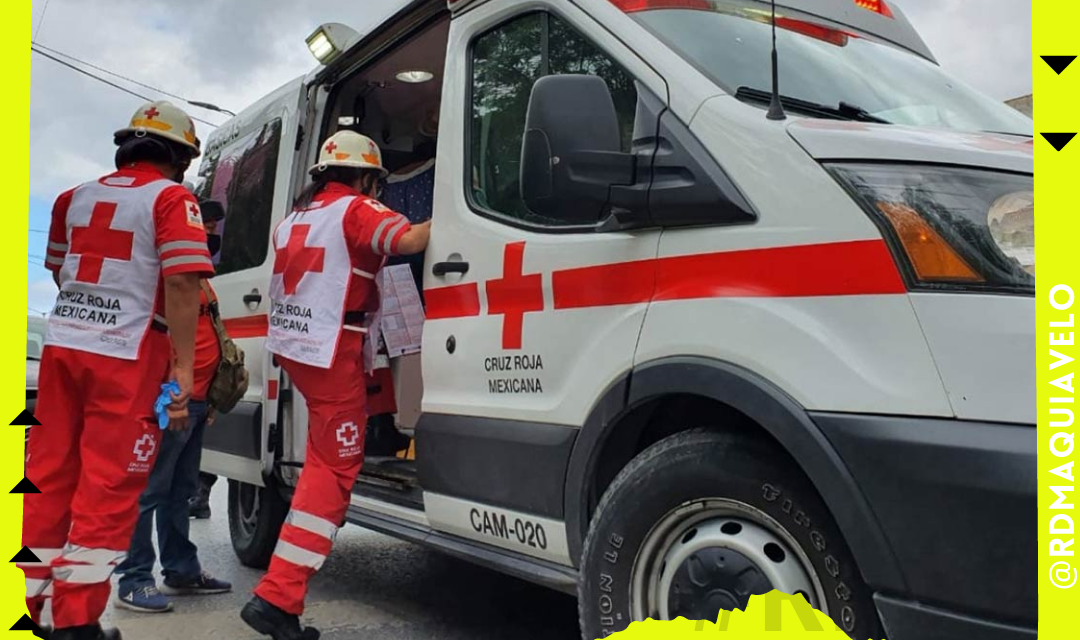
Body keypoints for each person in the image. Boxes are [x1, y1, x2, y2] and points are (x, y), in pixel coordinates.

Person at [22, 101, 212, 640]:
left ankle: (33, 607)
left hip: (64, 350)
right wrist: (180, 368)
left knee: (49, 476)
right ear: (180, 157)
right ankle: (77, 622)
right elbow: (181, 283)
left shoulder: (72, 198)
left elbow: (61, 271)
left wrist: (90, 320)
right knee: (110, 486)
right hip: (129, 356)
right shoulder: (173, 199)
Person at [240, 131, 430, 640]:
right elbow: (407, 240)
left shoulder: (295, 220)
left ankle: (281, 595)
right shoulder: (357, 209)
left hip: (299, 347)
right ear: (366, 176)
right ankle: (279, 597)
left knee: (326, 453)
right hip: (333, 347)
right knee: (334, 469)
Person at [114, 202, 232, 613]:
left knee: (180, 491)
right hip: (169, 399)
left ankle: (181, 569)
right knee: (148, 490)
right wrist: (171, 396)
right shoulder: (161, 276)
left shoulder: (201, 279)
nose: (210, 232)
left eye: (213, 225)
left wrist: (210, 396)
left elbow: (208, 333)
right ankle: (134, 578)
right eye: (206, 224)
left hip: (196, 400)